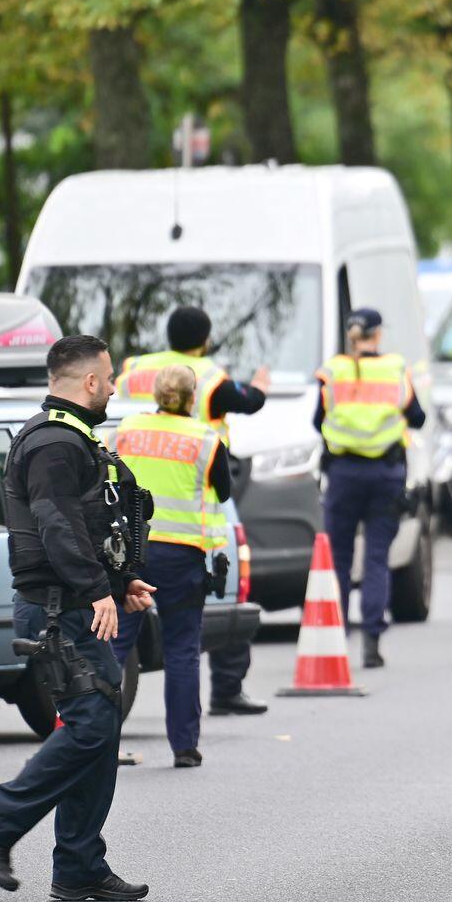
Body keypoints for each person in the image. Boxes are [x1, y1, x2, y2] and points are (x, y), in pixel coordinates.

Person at [0, 334, 156, 900]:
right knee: (92, 724)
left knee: (100, 723)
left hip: (69, 606)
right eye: (109, 378)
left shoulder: (71, 438)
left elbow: (85, 523)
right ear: (90, 381)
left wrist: (119, 584)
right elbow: (56, 525)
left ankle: (78, 866)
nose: (113, 387)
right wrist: (96, 592)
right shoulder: (53, 444)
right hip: (56, 611)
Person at [120, 306, 272, 717]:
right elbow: (250, 402)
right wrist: (260, 384)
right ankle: (227, 686)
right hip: (194, 496)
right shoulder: (209, 376)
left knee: (119, 634)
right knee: (230, 587)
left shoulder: (134, 369)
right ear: (205, 339)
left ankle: (97, 732)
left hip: (132, 507)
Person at [110, 365, 229, 767]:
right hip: (182, 555)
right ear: (192, 397)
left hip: (130, 553)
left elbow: (108, 478)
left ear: (157, 394)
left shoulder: (126, 430)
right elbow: (224, 490)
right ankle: (184, 747)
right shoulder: (205, 439)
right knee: (182, 650)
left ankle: (99, 740)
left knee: (116, 646)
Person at [314, 308, 425, 669]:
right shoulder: (395, 368)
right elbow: (418, 417)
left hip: (343, 473)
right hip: (385, 474)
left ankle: (337, 637)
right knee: (377, 558)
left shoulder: (333, 371)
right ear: (377, 334)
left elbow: (317, 420)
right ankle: (372, 642)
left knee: (340, 559)